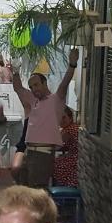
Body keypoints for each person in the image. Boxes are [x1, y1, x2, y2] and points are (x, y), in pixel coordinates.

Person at [10, 48, 79, 187]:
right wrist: (15, 70)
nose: (34, 89)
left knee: (37, 190)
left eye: (36, 85)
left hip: (43, 154)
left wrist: (72, 64)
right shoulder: (32, 99)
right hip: (29, 151)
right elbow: (18, 88)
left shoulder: (56, 99)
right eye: (31, 87)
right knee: (24, 187)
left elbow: (65, 83)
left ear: (45, 83)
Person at [52, 106, 79, 188]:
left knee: (53, 164)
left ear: (70, 118)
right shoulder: (72, 127)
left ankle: (60, 188)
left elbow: (56, 146)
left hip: (75, 159)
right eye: (59, 118)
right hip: (76, 157)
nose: (61, 120)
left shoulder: (69, 130)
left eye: (64, 117)